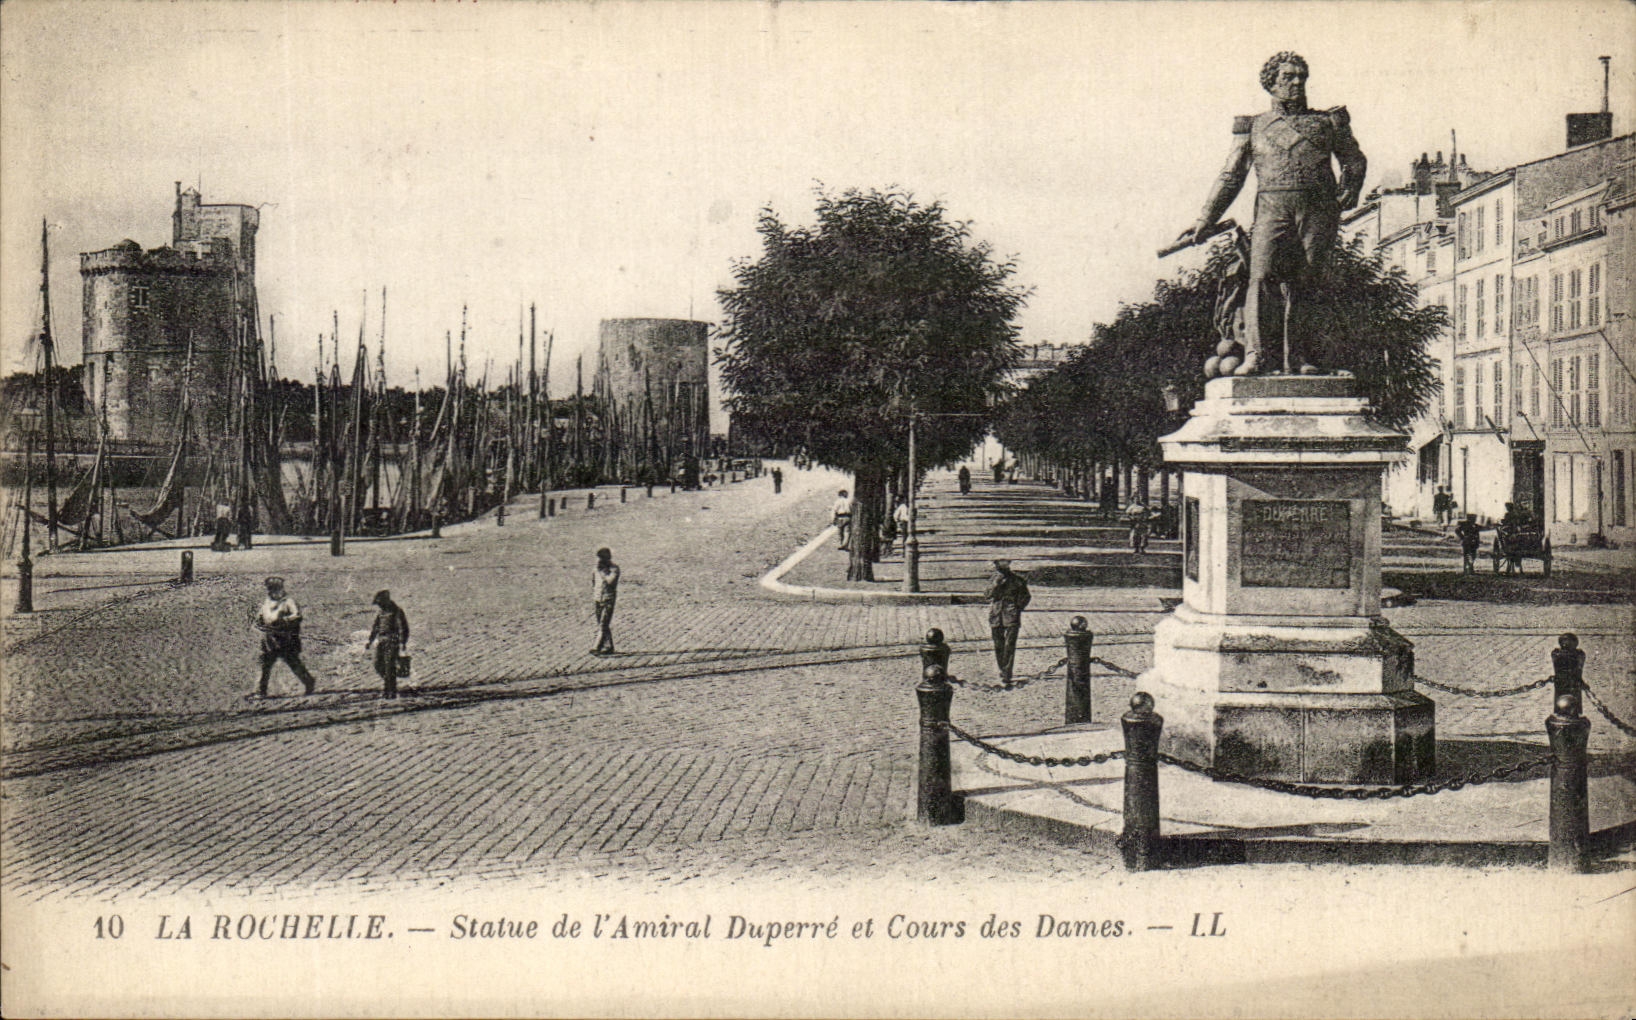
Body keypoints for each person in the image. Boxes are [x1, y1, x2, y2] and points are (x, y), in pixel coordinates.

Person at [1175, 53, 1367, 375]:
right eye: (1288, 77)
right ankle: (1257, 355)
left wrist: (1351, 187)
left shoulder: (1328, 122)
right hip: (1271, 208)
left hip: (1318, 210)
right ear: (1271, 84)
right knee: (1261, 277)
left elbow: (1355, 159)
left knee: (1307, 281)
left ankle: (1301, 358)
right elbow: (1232, 175)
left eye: (1301, 76)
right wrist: (1206, 218)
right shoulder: (1253, 126)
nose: (1297, 83)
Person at [252, 576, 316, 698]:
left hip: (286, 640)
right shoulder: (266, 603)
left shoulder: (288, 602)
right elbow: (259, 618)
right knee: (264, 664)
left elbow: (297, 616)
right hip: (269, 640)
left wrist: (284, 620)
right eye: (270, 589)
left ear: (281, 589)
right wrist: (259, 624)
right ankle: (260, 691)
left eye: (275, 589)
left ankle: (309, 681)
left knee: (293, 662)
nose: (272, 592)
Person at [984, 558, 1031, 684]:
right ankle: (1002, 668)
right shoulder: (993, 579)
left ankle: (1007, 672)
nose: (998, 567)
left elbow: (1026, 596)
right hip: (996, 615)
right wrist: (995, 584)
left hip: (1011, 616)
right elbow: (987, 595)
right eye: (997, 564)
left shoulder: (1017, 580)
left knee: (1009, 645)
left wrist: (1017, 608)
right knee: (998, 644)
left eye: (1001, 564)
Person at [365, 590, 410, 699]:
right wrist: (370, 641)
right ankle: (388, 686)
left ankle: (390, 691)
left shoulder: (397, 611)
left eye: (380, 603)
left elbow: (403, 628)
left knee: (389, 667)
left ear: (386, 601)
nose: (379, 606)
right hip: (381, 641)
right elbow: (376, 627)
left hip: (392, 642)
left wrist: (402, 642)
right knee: (378, 664)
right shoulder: (381, 612)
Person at [591, 547, 620, 655]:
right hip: (598, 598)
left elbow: (611, 581)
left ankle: (596, 647)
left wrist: (603, 573)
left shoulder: (614, 569)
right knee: (602, 624)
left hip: (608, 599)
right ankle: (609, 646)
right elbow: (593, 582)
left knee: (603, 624)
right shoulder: (596, 569)